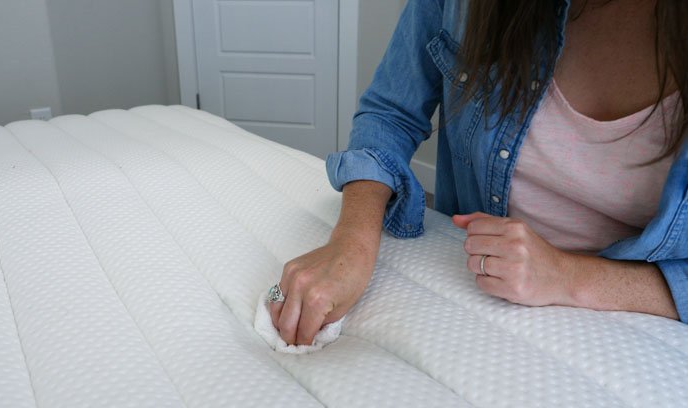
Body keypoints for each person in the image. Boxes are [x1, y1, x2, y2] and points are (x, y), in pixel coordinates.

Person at [269, 0, 688, 345]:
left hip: (635, 324)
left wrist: (566, 275)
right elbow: (391, 112)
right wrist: (352, 242)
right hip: (472, 285)